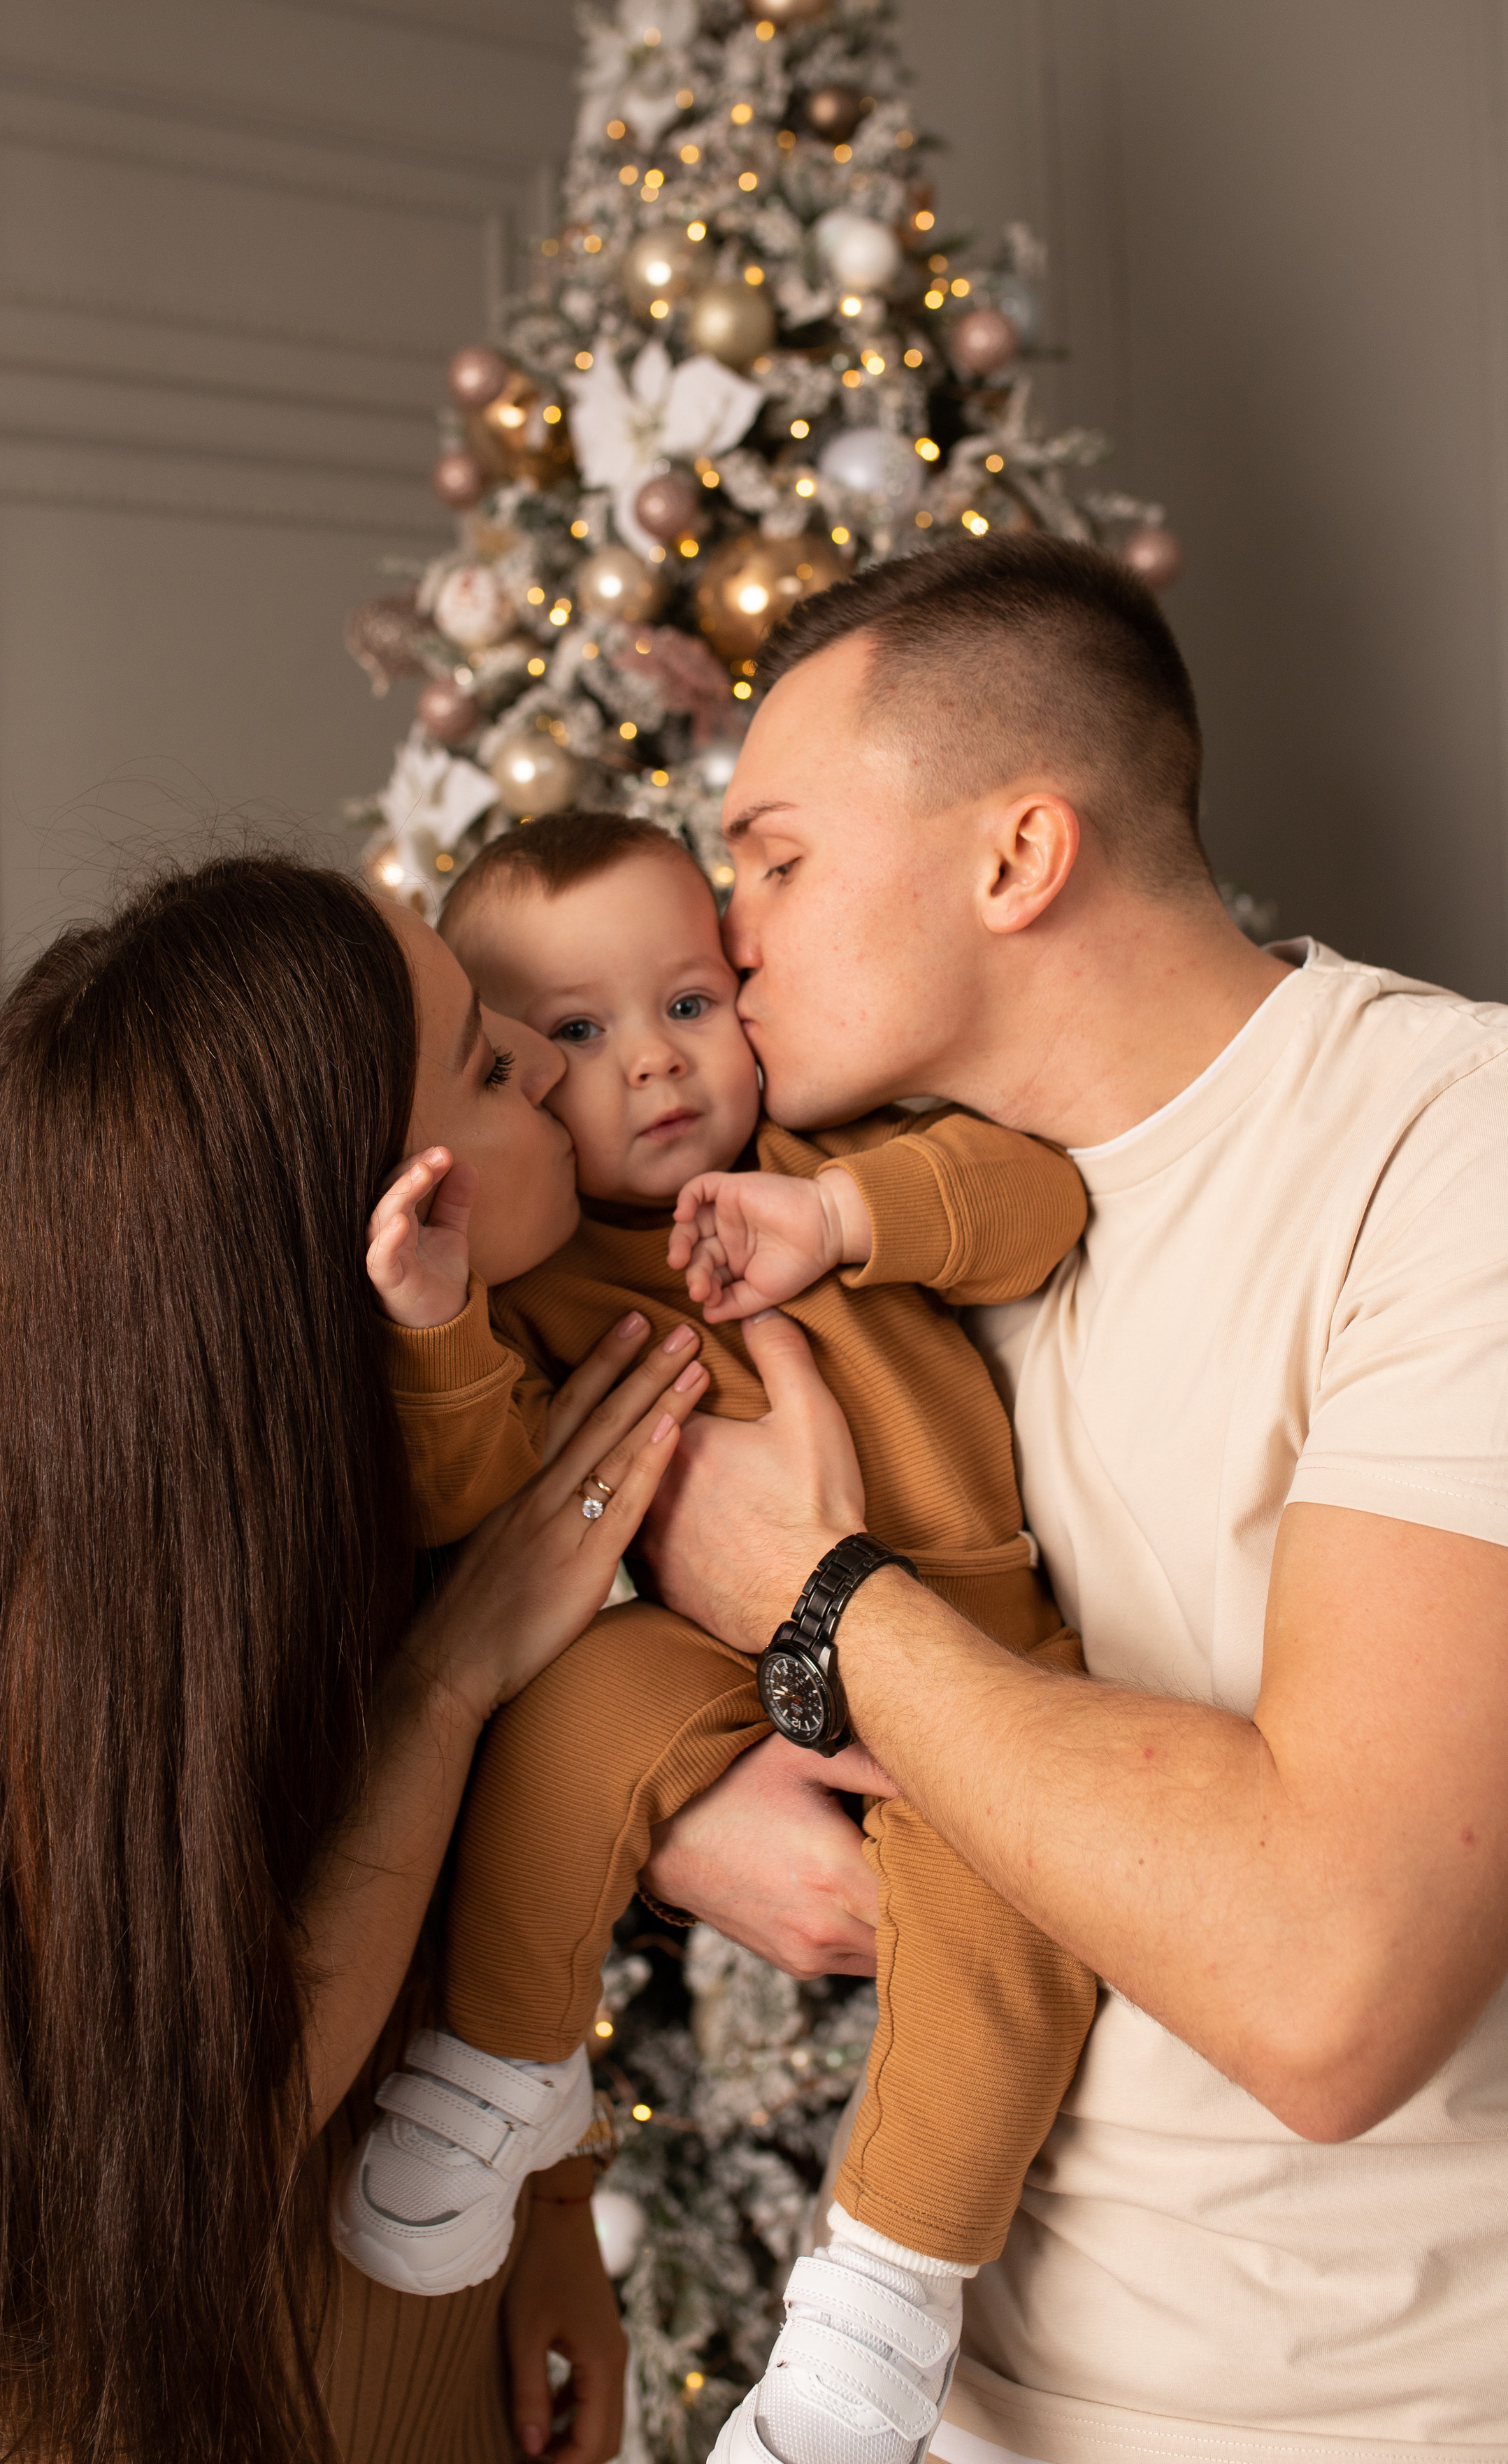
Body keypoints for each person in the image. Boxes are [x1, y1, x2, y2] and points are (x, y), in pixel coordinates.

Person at [635, 535, 1508, 2461]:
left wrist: (820, 1603)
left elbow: (1328, 1978)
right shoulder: (829, 1211)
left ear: (1018, 860)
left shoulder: (1455, 1156)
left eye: (776, 855)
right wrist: (679, 1804)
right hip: (950, 2401)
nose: (727, 926)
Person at [0, 851, 713, 2464]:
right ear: (370, 1206)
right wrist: (447, 1681)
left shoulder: (442, 1448)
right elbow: (210, 2130)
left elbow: (501, 1923)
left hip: (425, 2364)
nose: (549, 1060)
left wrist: (548, 2221)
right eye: (484, 1057)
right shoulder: (99, 1626)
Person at [332, 807, 1093, 2464]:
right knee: (566, 1717)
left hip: (964, 1643)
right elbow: (472, 1493)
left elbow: (1029, 1198)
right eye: (577, 1037)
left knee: (1010, 1905)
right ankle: (503, 2067)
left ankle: (879, 2304)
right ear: (518, 1080)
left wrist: (838, 1222)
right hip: (715, 1666)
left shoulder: (820, 1161)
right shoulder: (530, 1279)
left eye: (690, 1002)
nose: (655, 1068)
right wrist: (436, 1318)